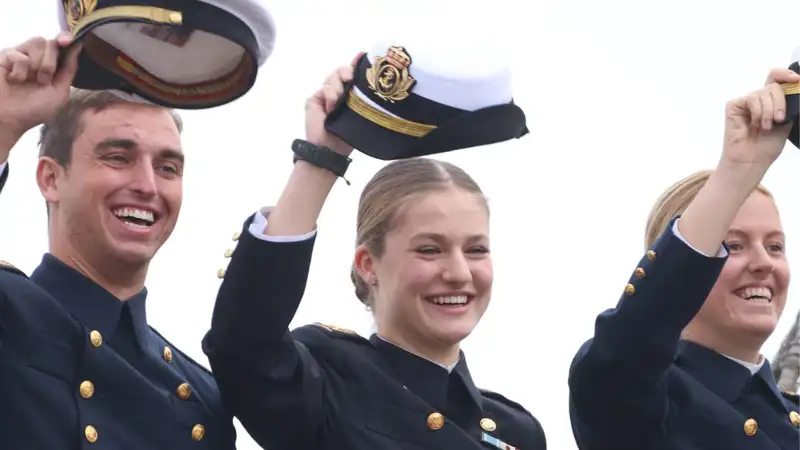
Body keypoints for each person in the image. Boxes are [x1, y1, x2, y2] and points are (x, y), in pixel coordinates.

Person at [201, 54, 547, 449]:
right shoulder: (331, 383)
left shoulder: (517, 431)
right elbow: (243, 346)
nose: (459, 273)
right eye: (430, 249)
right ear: (368, 265)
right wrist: (322, 158)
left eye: (476, 250)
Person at [0, 33, 237, 448]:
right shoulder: (8, 316)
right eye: (118, 157)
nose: (147, 185)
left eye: (167, 168)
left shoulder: (203, 395)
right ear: (51, 178)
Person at [568, 68, 800, 449]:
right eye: (734, 246)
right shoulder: (647, 399)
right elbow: (625, 351)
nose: (764, 264)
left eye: (775, 246)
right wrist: (737, 172)